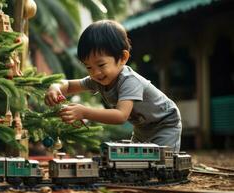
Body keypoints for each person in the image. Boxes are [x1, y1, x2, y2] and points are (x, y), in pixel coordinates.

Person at [44, 20, 182, 152]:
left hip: (164, 123)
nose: (95, 72)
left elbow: (121, 116)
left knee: (163, 161)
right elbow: (68, 85)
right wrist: (55, 87)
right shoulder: (98, 79)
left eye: (101, 65)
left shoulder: (129, 81)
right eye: (89, 67)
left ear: (123, 58)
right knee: (138, 163)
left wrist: (84, 112)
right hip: (142, 128)